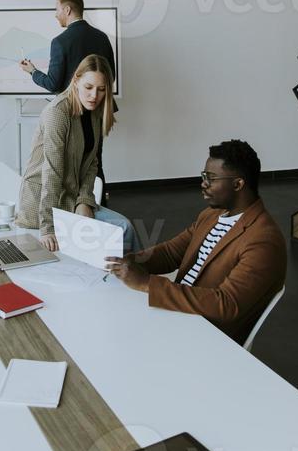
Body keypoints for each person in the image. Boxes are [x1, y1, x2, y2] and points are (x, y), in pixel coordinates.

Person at [105, 140, 286, 344]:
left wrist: (147, 284)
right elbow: (171, 253)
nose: (203, 183)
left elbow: (225, 304)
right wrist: (132, 261)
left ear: (238, 184)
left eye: (211, 178)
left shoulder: (264, 241)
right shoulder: (211, 215)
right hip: (179, 311)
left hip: (206, 333)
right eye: (204, 176)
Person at [16, 54, 136, 253]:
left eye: (101, 90)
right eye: (88, 87)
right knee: (122, 228)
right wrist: (48, 227)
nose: (94, 96)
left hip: (72, 198)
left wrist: (84, 200)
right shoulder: (58, 113)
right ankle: (133, 278)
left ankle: (131, 278)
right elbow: (52, 171)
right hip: (43, 204)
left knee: (124, 228)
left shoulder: (95, 112)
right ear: (76, 81)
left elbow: (92, 163)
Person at [19, 0, 116, 191]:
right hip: (98, 110)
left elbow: (53, 84)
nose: (56, 15)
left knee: (68, 164)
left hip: (71, 112)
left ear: (67, 9)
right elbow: (110, 76)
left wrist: (33, 71)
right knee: (94, 162)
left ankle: (70, 211)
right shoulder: (102, 37)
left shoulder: (60, 42)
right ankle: (98, 204)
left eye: (57, 10)